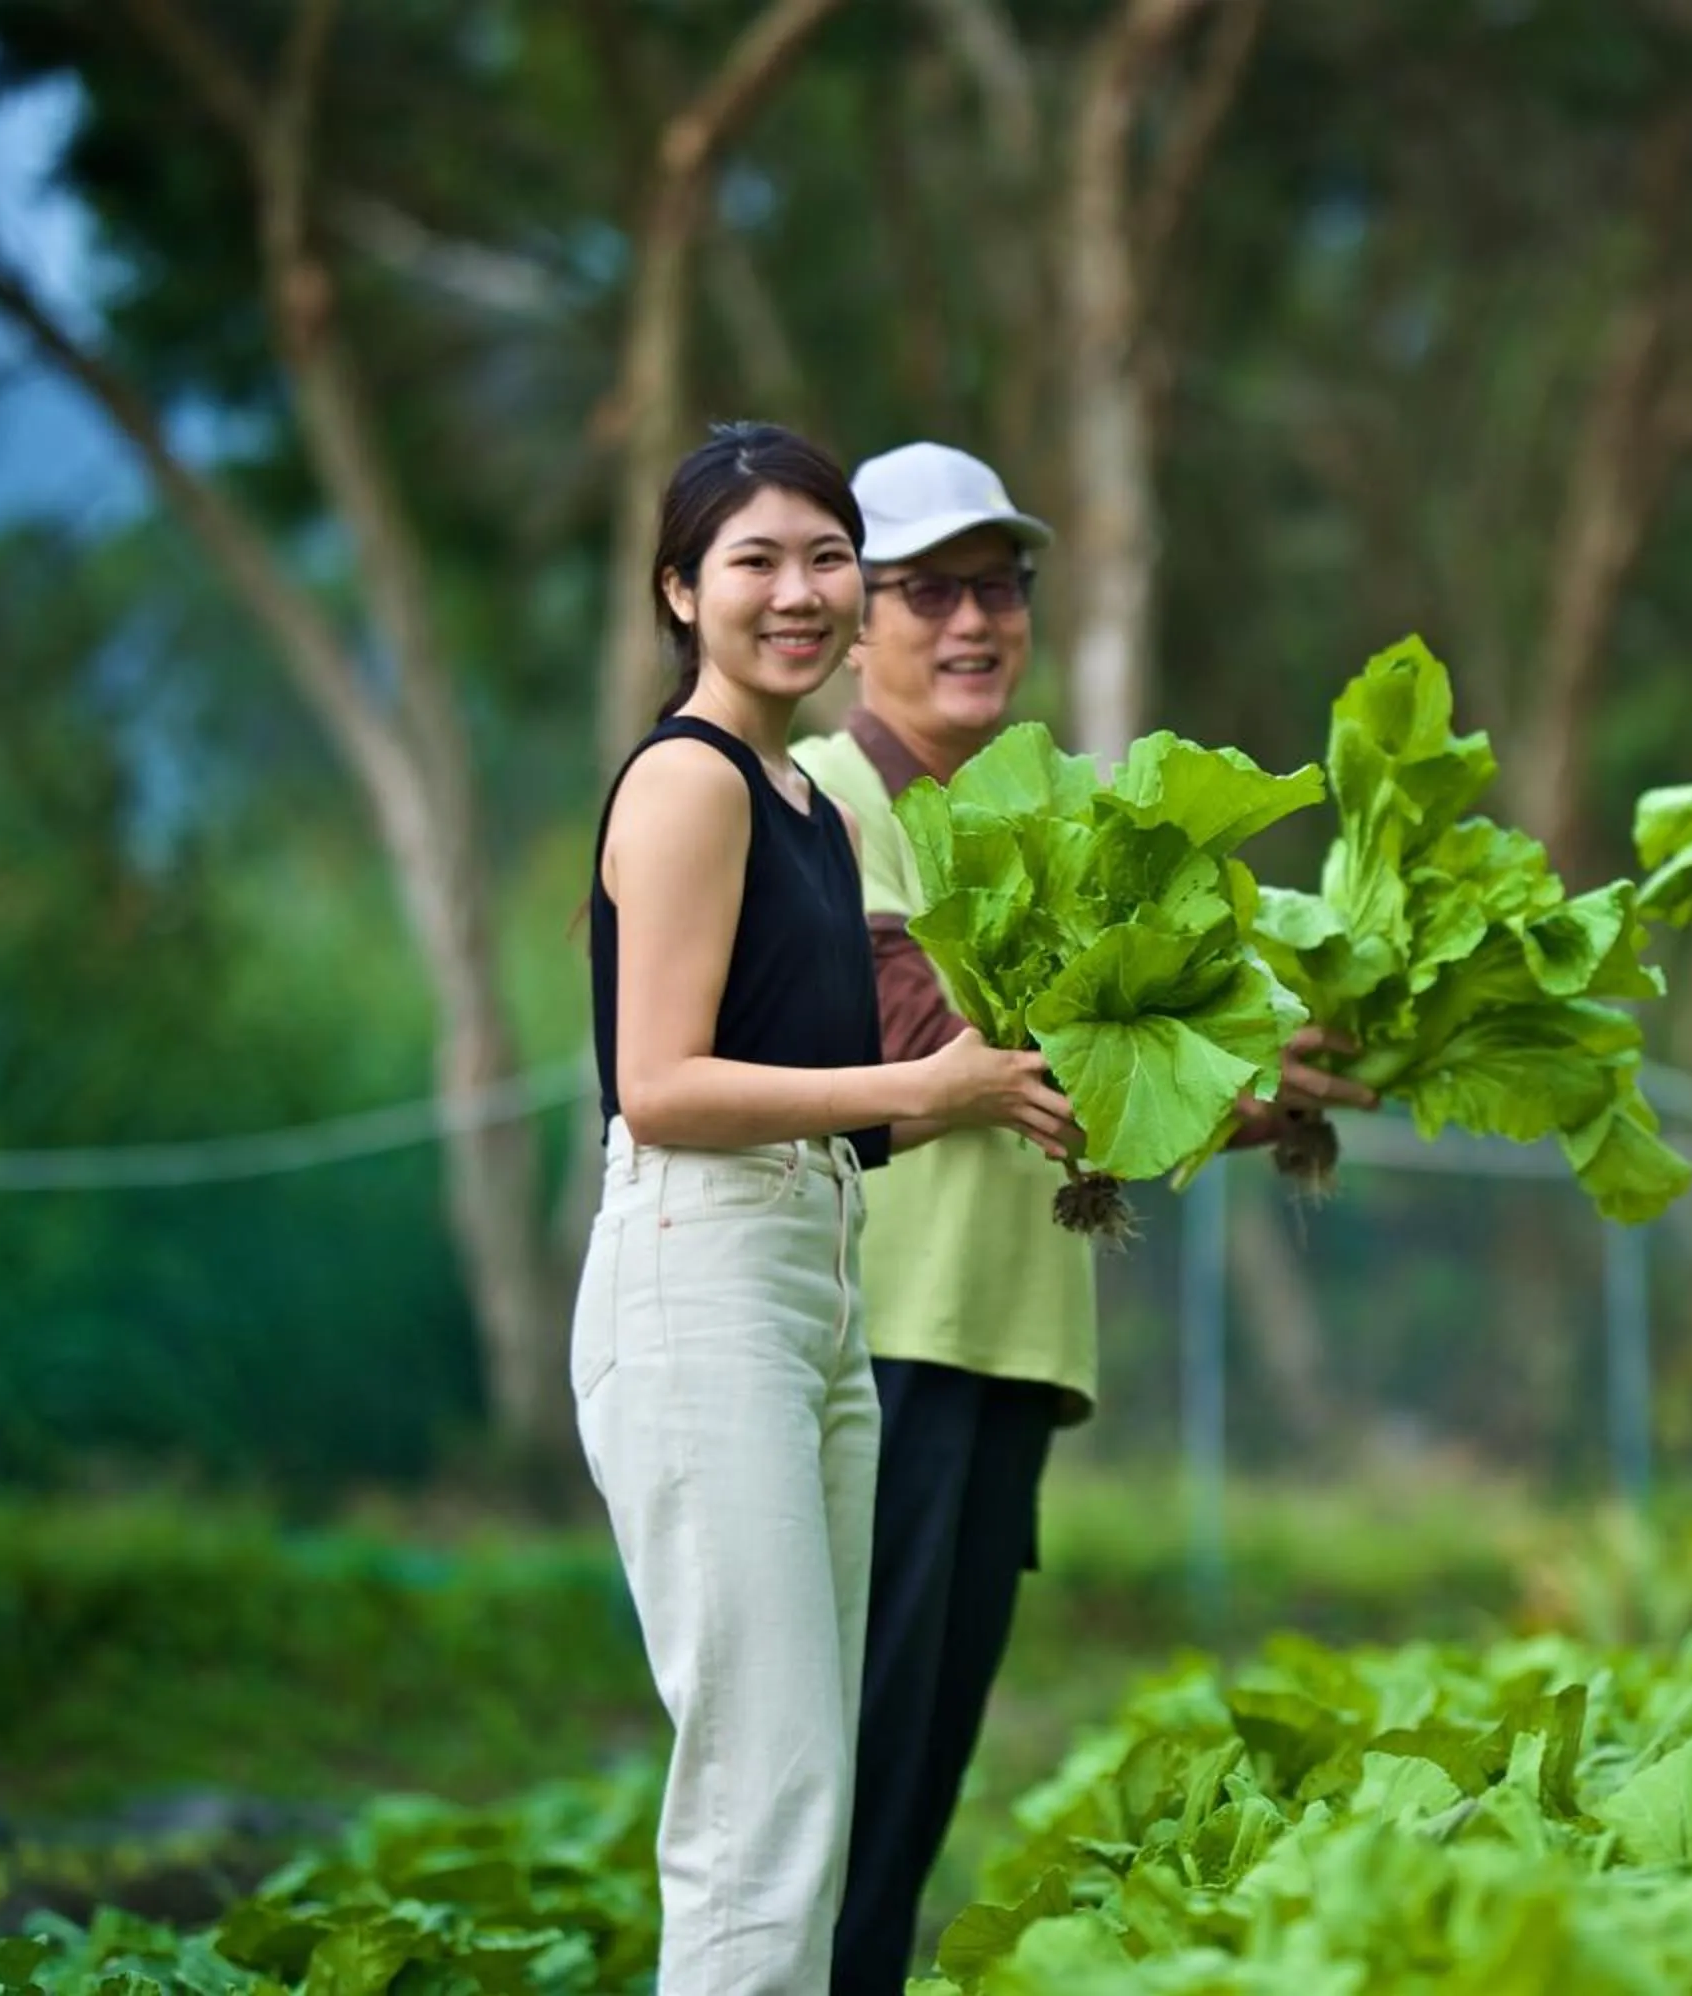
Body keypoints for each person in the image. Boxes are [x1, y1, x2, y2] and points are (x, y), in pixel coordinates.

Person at [793, 439, 1375, 1995]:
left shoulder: (1042, 813)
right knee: (848, 1762)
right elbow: (927, 1030)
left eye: (999, 588)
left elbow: (1094, 1073)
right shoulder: (828, 796)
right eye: (928, 592)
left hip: (1006, 1339)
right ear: (855, 620)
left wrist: (1270, 1085)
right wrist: (1232, 1067)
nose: (973, 622)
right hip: (885, 1339)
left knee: (919, 1768)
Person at [572, 422, 1077, 1996]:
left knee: (813, 1788)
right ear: (681, 590)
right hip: (701, 1267)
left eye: (826, 558)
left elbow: (866, 1087)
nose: (798, 593)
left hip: (815, 1272)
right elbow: (658, 1084)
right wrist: (927, 1088)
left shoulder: (814, 808)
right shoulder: (689, 779)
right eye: (755, 561)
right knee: (770, 1793)